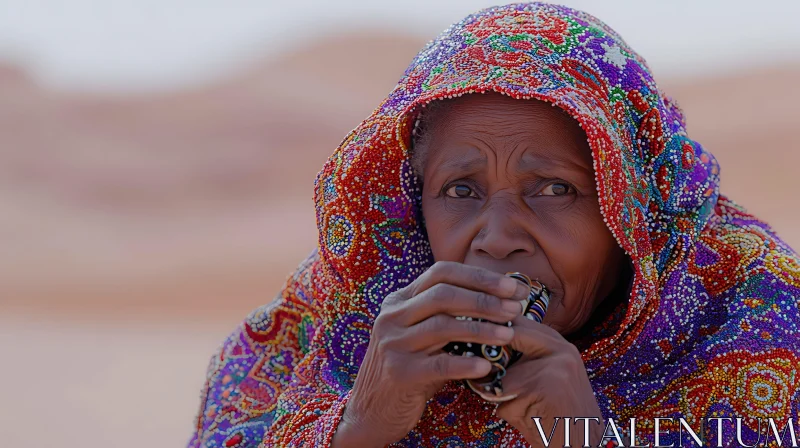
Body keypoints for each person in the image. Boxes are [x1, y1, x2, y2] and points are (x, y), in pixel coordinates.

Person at [187, 3, 800, 447]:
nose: (497, 236)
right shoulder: (327, 326)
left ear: (635, 208)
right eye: (460, 190)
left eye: (555, 189)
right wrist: (358, 427)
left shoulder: (759, 325)